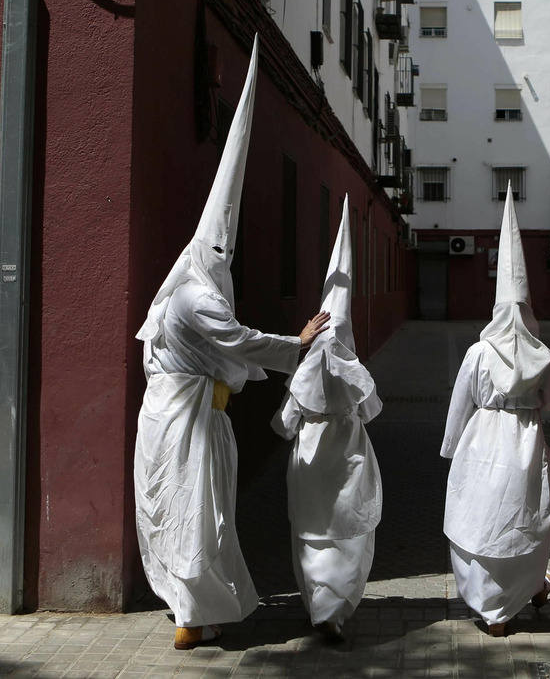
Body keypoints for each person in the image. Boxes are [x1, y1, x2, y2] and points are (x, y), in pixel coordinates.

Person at [133, 38, 331, 650]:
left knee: (202, 513)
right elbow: (234, 338)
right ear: (203, 252)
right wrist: (294, 344)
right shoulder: (195, 295)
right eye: (218, 252)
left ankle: (198, 608)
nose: (224, 261)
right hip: (184, 420)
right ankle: (191, 615)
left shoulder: (186, 289)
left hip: (191, 414)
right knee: (190, 510)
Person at [440, 183, 550, 636]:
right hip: (525, 439)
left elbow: (461, 401)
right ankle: (528, 587)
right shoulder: (541, 354)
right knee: (526, 516)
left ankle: (494, 609)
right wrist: (528, 411)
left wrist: (452, 448)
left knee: (481, 516)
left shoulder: (477, 352)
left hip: (483, 439)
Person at [271, 195, 382, 643]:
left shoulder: (304, 369)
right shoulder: (356, 369)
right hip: (350, 451)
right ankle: (336, 608)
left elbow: (283, 424)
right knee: (349, 533)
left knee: (312, 533)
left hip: (313, 455)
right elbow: (372, 410)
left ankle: (320, 605)